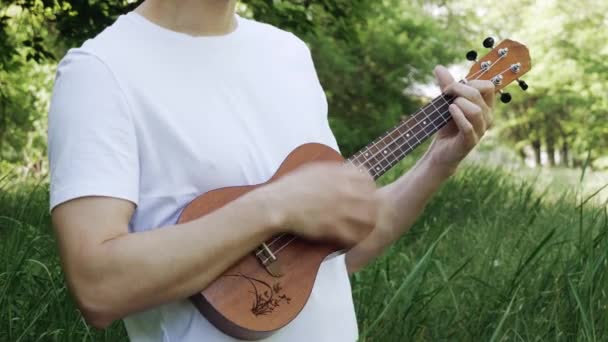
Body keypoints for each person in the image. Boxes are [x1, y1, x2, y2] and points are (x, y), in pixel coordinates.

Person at [47, 0, 494, 341]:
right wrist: (274, 206)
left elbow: (324, 260)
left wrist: (438, 164)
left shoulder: (287, 54)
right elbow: (97, 288)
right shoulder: (100, 72)